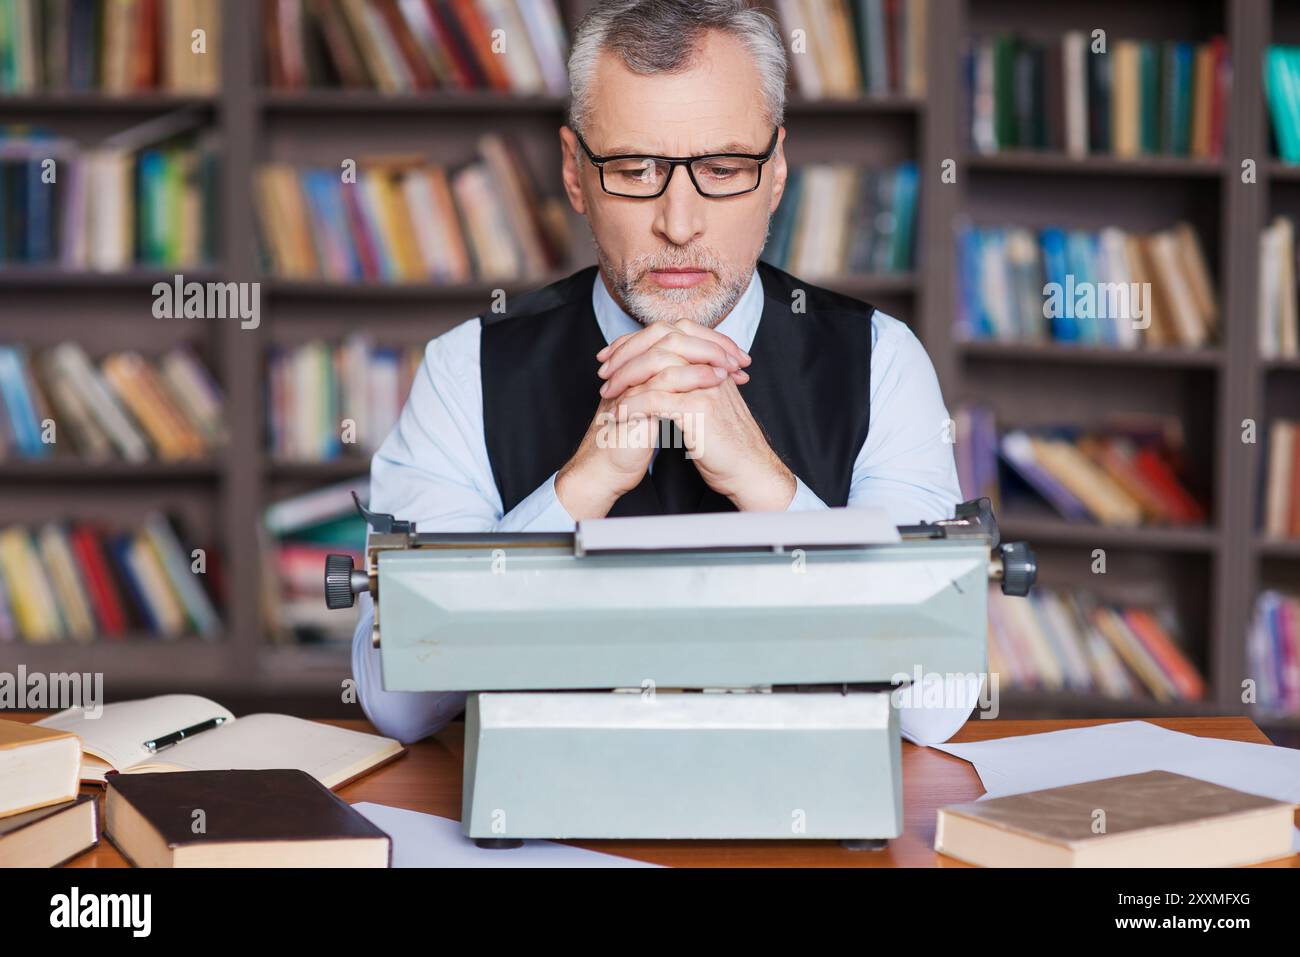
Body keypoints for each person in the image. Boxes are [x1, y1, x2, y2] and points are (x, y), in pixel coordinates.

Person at [351, 0, 982, 747]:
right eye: (635, 168)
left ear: (776, 172)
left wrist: (768, 487)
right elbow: (400, 704)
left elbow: (936, 705)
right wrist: (576, 489)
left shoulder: (883, 360)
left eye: (722, 168)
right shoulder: (467, 369)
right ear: (575, 174)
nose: (678, 223)